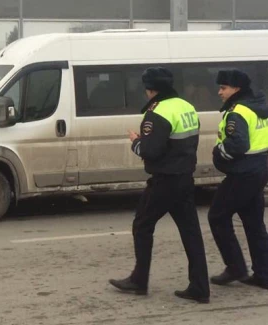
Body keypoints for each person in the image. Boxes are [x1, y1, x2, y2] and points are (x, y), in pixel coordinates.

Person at [109, 67, 210, 303]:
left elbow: (151, 151)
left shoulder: (157, 112)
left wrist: (136, 142)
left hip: (164, 180)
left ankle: (139, 280)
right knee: (191, 233)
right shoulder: (186, 106)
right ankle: (200, 287)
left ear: (150, 89)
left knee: (142, 225)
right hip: (185, 178)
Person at [208, 69, 268, 290]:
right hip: (260, 168)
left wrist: (219, 151)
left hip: (242, 173)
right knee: (254, 223)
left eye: (223, 87)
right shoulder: (258, 106)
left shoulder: (237, 112)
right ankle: (263, 274)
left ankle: (235, 267)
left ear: (236, 89)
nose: (219, 92)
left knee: (217, 216)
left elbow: (238, 145)